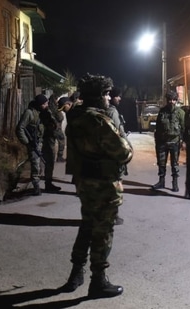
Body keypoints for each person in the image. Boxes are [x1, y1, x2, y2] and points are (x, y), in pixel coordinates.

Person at [61, 73, 133, 298]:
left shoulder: (75, 118)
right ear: (99, 96)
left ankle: (76, 273)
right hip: (104, 184)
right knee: (103, 231)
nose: (109, 98)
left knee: (87, 226)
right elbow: (124, 153)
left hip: (84, 181)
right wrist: (126, 142)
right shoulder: (100, 121)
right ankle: (98, 281)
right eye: (107, 94)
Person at [151, 90, 185, 192]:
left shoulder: (180, 113)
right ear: (167, 100)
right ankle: (161, 181)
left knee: (174, 164)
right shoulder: (162, 111)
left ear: (176, 100)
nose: (171, 102)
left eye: (173, 100)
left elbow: (183, 128)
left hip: (174, 142)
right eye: (169, 99)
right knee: (161, 163)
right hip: (162, 142)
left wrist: (183, 141)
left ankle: (175, 183)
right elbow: (158, 126)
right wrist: (157, 140)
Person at [15, 94, 49, 196]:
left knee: (41, 164)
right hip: (33, 143)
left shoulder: (43, 112)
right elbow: (20, 128)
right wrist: (27, 142)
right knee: (35, 164)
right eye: (45, 103)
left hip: (41, 141)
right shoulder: (29, 113)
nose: (47, 105)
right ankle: (36, 187)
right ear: (40, 104)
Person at [105, 86, 128, 226]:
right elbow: (118, 133)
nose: (119, 98)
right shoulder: (112, 112)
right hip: (114, 152)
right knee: (115, 185)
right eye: (117, 96)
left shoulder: (106, 111)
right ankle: (113, 216)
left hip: (107, 152)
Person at [39, 95, 62, 193]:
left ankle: (48, 183)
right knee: (49, 162)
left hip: (49, 138)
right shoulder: (44, 113)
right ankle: (47, 184)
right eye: (45, 103)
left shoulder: (45, 112)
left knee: (48, 162)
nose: (47, 105)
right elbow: (53, 123)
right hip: (47, 139)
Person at [55, 96, 70, 162]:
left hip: (56, 128)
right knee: (61, 141)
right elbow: (60, 118)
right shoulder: (56, 110)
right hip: (56, 128)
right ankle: (59, 156)